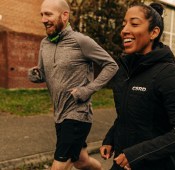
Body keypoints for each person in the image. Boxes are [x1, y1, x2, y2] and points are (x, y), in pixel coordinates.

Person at [100, 2, 175, 170]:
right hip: (121, 162)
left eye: (134, 23)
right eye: (124, 24)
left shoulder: (167, 73)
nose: (124, 30)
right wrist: (110, 138)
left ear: (154, 32)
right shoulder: (125, 71)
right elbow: (126, 114)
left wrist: (136, 154)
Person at [28, 0, 118, 169]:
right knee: (81, 161)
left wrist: (87, 90)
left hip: (78, 114)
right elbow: (42, 73)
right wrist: (35, 75)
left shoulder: (80, 41)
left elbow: (111, 65)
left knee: (59, 165)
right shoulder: (44, 44)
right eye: (41, 14)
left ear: (64, 15)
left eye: (48, 14)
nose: (43, 19)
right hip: (59, 113)